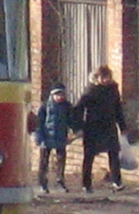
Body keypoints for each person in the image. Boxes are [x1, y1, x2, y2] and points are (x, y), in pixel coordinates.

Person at [74, 65, 128, 193]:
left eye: (108, 77)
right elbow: (79, 109)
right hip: (93, 128)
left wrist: (122, 126)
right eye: (103, 78)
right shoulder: (91, 91)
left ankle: (117, 181)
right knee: (89, 156)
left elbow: (118, 109)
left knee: (113, 153)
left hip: (109, 126)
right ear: (97, 78)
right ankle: (86, 184)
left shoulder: (113, 90)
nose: (106, 80)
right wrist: (78, 127)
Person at [34, 82, 72, 193]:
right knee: (44, 162)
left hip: (61, 137)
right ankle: (42, 183)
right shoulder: (45, 106)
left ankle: (60, 181)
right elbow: (39, 123)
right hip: (46, 137)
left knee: (61, 160)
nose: (60, 97)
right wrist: (39, 137)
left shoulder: (67, 106)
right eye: (57, 95)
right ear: (52, 95)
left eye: (62, 95)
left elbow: (71, 120)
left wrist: (75, 130)